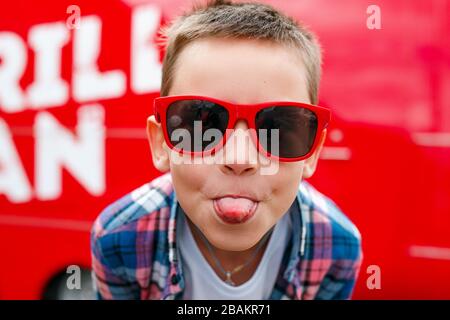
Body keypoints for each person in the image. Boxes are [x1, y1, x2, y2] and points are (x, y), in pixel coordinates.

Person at [90, 0, 362, 300]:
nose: (239, 159)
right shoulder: (117, 239)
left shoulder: (338, 247)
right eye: (202, 124)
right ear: (161, 143)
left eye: (278, 128)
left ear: (312, 152)